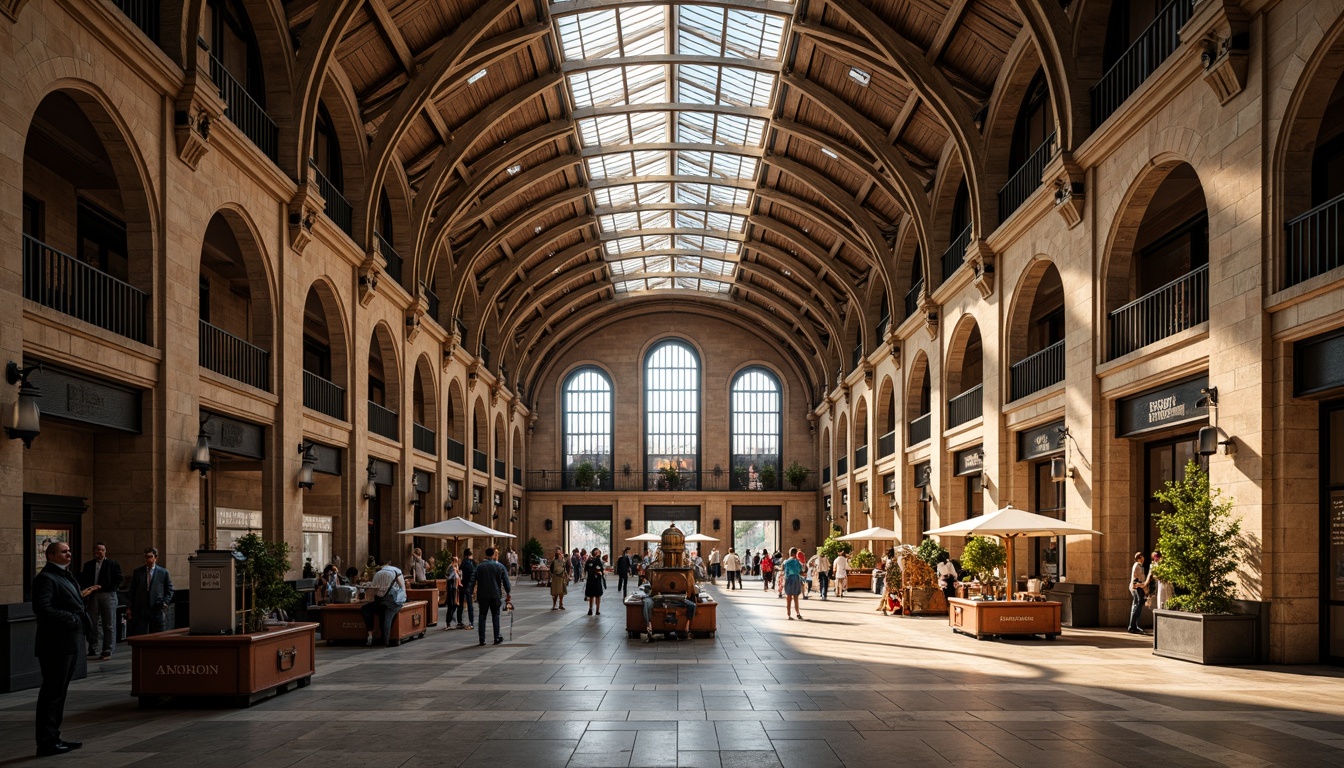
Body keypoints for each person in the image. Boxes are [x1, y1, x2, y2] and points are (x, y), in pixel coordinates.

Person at [33, 540, 94, 757]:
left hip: (68, 642)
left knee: (59, 693)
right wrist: (73, 619)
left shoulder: (65, 575)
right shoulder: (46, 578)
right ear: (51, 556)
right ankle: (46, 742)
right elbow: (43, 608)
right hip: (55, 644)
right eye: (64, 552)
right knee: (52, 694)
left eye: (69, 550)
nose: (69, 554)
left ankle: (54, 737)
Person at [79, 542, 122, 660]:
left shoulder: (112, 564)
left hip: (108, 595)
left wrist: (103, 587)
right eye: (98, 550)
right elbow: (83, 579)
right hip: (92, 596)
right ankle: (93, 648)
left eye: (102, 550)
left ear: (105, 551)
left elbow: (118, 580)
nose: (100, 552)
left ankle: (107, 649)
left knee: (108, 623)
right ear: (94, 552)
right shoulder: (88, 565)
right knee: (92, 622)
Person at [128, 547, 174, 636]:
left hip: (156, 607)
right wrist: (129, 607)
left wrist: (165, 601)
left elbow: (170, 589)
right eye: (146, 557)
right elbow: (132, 590)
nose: (148, 559)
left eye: (150, 556)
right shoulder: (138, 572)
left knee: (157, 634)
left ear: (155, 557)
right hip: (141, 609)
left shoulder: (163, 572)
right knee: (141, 634)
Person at [360, 559, 406, 646]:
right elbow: (402, 587)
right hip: (393, 600)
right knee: (388, 617)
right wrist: (403, 598)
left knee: (367, 609)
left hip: (381, 600)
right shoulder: (397, 571)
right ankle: (386, 640)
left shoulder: (378, 574)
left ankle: (371, 632)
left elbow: (373, 590)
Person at [474, 547, 512, 646]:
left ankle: (482, 639)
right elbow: (506, 581)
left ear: (485, 554)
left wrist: (470, 591)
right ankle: (496, 637)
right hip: (495, 594)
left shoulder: (479, 567)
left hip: (482, 594)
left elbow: (473, 579)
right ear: (493, 555)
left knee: (482, 616)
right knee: (495, 615)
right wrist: (508, 592)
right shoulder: (499, 566)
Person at [782, 547, 805, 620]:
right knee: (796, 598)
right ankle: (798, 613)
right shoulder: (797, 562)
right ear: (795, 554)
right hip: (796, 580)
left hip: (789, 580)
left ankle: (788, 614)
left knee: (788, 598)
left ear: (790, 553)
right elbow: (801, 571)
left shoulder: (786, 562)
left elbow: (785, 572)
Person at [1127, 551, 1148, 635]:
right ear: (1140, 558)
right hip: (1137, 587)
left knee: (1136, 606)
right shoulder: (1138, 566)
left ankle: (1134, 625)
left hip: (1136, 587)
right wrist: (1145, 588)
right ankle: (1132, 626)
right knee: (1136, 606)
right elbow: (1141, 578)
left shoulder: (1137, 565)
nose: (1143, 559)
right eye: (1142, 557)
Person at [456, 548, 477, 631]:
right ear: (470, 555)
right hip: (470, 585)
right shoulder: (473, 563)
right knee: (470, 605)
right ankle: (471, 622)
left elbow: (460, 574)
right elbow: (475, 574)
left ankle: (459, 621)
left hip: (462, 585)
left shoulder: (462, 564)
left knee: (460, 603)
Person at [441, 557, 462, 630]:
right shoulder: (452, 569)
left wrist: (458, 571)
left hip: (455, 589)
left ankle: (451, 621)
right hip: (452, 589)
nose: (457, 563)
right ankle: (448, 622)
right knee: (451, 605)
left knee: (454, 605)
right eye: (455, 561)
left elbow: (459, 578)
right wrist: (454, 571)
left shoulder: (456, 570)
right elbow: (449, 577)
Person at [585, 547, 606, 615]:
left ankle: (597, 610)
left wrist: (601, 572)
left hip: (597, 580)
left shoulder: (599, 560)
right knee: (591, 595)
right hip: (591, 579)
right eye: (597, 552)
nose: (598, 553)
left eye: (599, 552)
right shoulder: (590, 560)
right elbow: (587, 568)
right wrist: (594, 571)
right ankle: (590, 609)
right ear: (594, 553)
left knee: (598, 595)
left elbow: (601, 569)